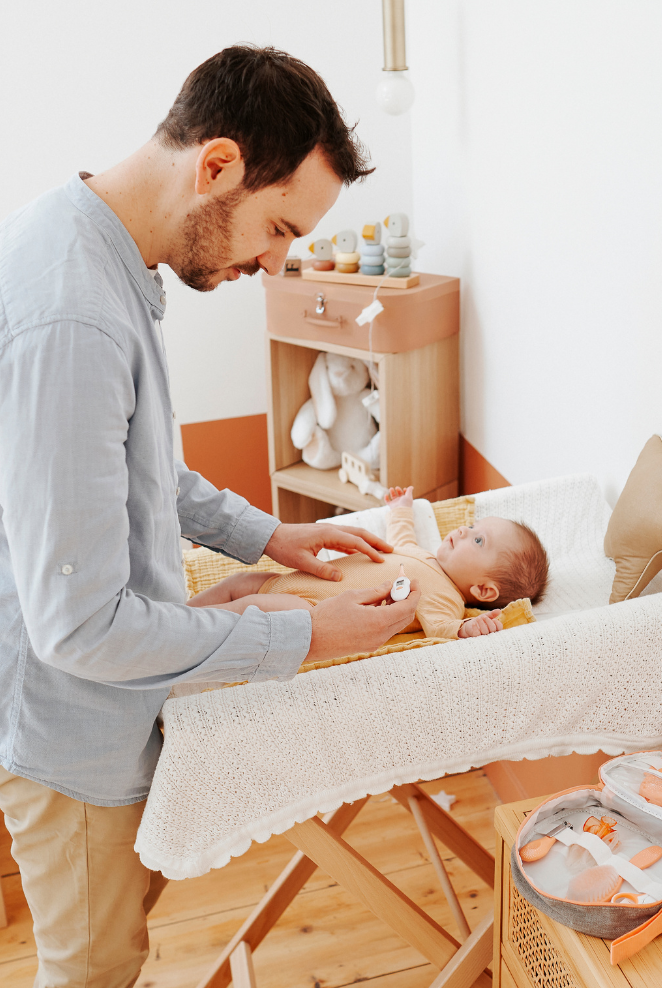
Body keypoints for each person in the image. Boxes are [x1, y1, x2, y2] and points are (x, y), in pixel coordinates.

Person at [0, 45, 420, 987]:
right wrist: (302, 635)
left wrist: (270, 535)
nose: (276, 263)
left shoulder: (97, 253)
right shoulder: (77, 315)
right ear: (217, 165)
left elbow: (138, 468)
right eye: (276, 228)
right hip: (73, 734)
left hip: (107, 706)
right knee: (95, 970)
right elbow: (80, 626)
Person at [189, 486, 550, 640]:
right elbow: (401, 536)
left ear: (484, 589)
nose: (462, 529)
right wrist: (401, 509)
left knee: (250, 606)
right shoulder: (420, 554)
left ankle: (189, 637)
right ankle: (179, 616)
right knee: (238, 583)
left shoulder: (444, 599)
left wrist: (465, 629)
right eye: (472, 525)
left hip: (312, 608)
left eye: (477, 539)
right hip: (297, 579)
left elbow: (441, 627)